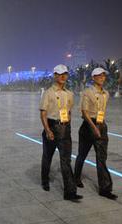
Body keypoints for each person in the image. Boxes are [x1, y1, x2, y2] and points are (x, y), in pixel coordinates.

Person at [39, 64, 82, 201]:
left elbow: (68, 111)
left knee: (66, 160)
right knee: (48, 156)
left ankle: (70, 192)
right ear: (55, 75)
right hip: (51, 126)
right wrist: (47, 130)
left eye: (65, 74)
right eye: (60, 74)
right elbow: (43, 113)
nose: (63, 76)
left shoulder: (70, 94)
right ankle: (45, 181)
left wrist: (67, 125)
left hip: (64, 128)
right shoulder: (48, 93)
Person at [74, 67, 118, 200]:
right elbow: (84, 112)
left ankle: (105, 189)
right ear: (93, 78)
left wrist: (100, 126)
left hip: (101, 124)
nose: (102, 78)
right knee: (82, 154)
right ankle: (76, 177)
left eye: (103, 75)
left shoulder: (106, 93)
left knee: (101, 158)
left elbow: (102, 111)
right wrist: (93, 127)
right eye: (99, 76)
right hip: (88, 126)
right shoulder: (87, 92)